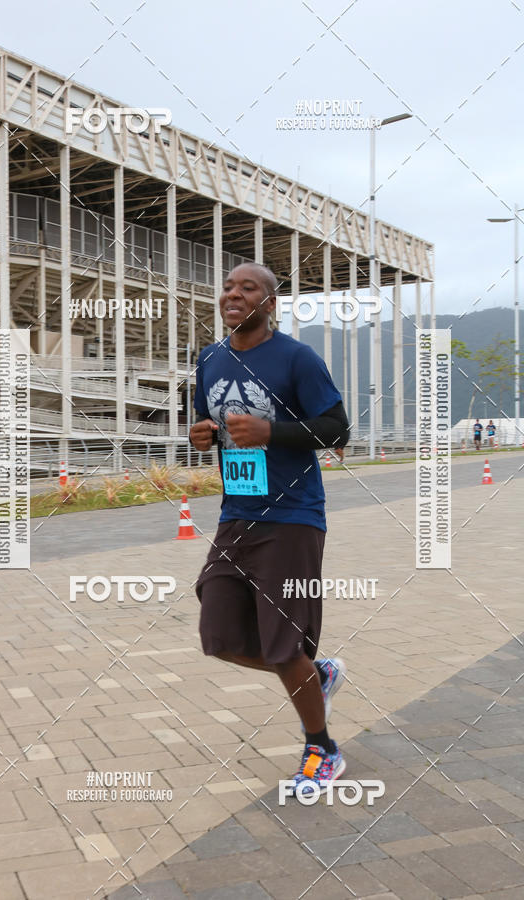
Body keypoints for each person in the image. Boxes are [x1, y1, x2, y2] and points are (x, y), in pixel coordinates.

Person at [190, 262, 350, 798]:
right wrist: (203, 437)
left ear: (271, 302)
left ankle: (321, 748)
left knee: (283, 647)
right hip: (236, 514)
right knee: (218, 635)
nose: (233, 294)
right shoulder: (209, 358)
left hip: (292, 516)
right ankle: (316, 673)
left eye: (248, 288)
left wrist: (271, 431)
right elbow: (210, 425)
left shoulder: (297, 358)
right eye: (228, 286)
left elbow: (336, 428)